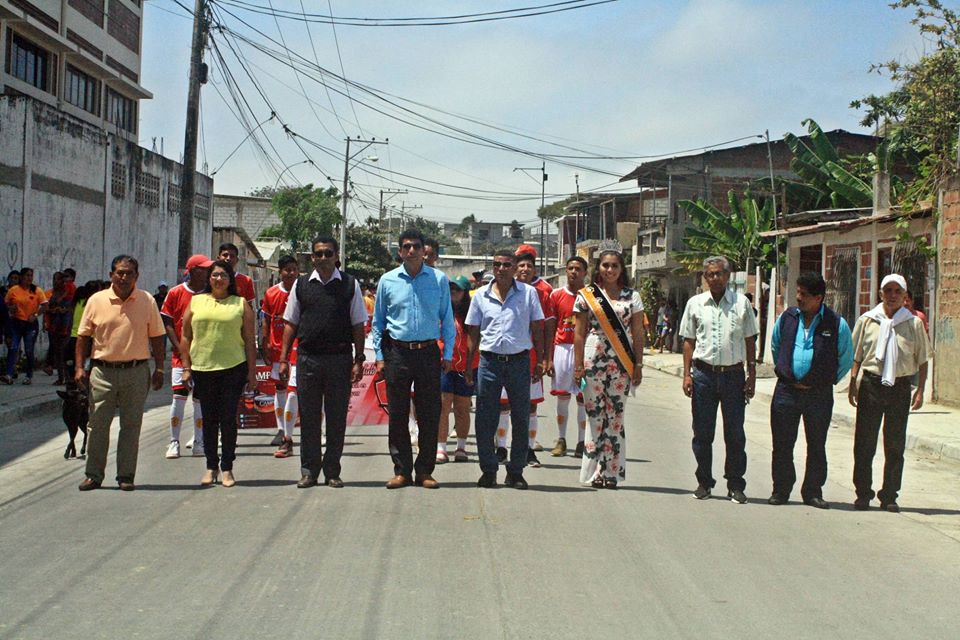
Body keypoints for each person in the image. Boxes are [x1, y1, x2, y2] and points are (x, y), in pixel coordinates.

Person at [372, 229, 455, 490]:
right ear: (399, 251)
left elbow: (447, 319)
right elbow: (378, 322)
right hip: (397, 353)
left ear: (423, 250)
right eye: (406, 246)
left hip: (428, 352)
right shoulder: (387, 280)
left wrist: (448, 353)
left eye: (416, 246)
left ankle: (424, 471)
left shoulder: (438, 279)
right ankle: (402, 471)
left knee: (429, 413)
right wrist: (380, 356)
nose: (411, 251)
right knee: (397, 413)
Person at [281, 237, 367, 488]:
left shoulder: (350, 284)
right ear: (312, 258)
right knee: (308, 418)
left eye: (328, 253)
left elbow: (358, 324)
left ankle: (332, 471)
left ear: (336, 256)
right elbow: (291, 323)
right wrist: (284, 358)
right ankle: (309, 471)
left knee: (336, 418)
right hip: (308, 359)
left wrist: (359, 359)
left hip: (340, 359)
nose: (323, 258)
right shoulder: (301, 285)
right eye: (318, 254)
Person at [76, 255, 165, 491]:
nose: (124, 277)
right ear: (111, 275)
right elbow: (83, 336)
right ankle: (93, 475)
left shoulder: (147, 300)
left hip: (136, 371)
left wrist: (160, 368)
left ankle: (126, 475)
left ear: (137, 276)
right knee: (97, 425)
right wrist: (79, 367)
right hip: (102, 372)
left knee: (131, 425)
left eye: (129, 273)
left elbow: (157, 336)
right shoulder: (96, 300)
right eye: (120, 273)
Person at [768, 273, 853, 509]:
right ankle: (781, 490)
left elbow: (845, 358)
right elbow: (776, 346)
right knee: (782, 444)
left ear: (818, 298)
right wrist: (788, 371)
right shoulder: (787, 318)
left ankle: (813, 492)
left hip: (818, 395)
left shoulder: (836, 324)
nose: (798, 298)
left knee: (816, 445)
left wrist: (822, 379)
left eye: (804, 294)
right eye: (798, 292)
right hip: (786, 392)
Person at [679, 256, 759, 504]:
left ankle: (735, 484)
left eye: (719, 273)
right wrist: (687, 374)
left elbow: (750, 339)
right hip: (704, 375)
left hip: (734, 376)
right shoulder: (695, 304)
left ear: (728, 275)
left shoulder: (741, 303)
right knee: (702, 433)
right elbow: (688, 341)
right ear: (705, 277)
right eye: (710, 274)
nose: (715, 278)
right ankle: (704, 482)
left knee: (735, 433)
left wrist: (752, 374)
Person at [849, 273, 931, 512]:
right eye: (888, 291)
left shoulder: (913, 323)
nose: (892, 296)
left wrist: (920, 390)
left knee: (895, 445)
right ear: (880, 294)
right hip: (871, 385)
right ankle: (863, 493)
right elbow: (856, 355)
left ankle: (889, 495)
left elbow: (923, 359)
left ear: (905, 296)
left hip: (900, 387)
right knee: (864, 443)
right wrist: (853, 382)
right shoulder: (867, 320)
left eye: (897, 291)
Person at [464, 249, 545, 490]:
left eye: (507, 265)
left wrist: (540, 360)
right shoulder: (480, 295)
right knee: (485, 418)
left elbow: (537, 328)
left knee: (521, 417)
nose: (501, 269)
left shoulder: (528, 293)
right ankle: (489, 470)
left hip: (519, 362)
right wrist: (468, 365)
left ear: (514, 267)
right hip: (489, 363)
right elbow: (473, 333)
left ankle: (516, 471)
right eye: (497, 264)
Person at [179, 260, 258, 487]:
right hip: (203, 368)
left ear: (230, 279)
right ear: (208, 278)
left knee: (228, 419)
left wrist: (252, 373)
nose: (219, 279)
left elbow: (249, 341)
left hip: (233, 368)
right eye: (214, 275)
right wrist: (186, 367)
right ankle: (211, 466)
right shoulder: (196, 301)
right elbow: (186, 335)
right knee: (209, 419)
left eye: (223, 275)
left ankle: (227, 467)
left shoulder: (240, 304)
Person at [573, 248, 644, 488]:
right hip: (593, 359)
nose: (610, 270)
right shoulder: (587, 295)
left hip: (621, 362)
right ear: (599, 268)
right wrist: (578, 365)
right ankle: (594, 472)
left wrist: (638, 364)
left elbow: (638, 332)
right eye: (605, 265)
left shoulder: (632, 297)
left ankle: (611, 472)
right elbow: (579, 333)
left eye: (615, 265)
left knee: (615, 417)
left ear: (622, 269)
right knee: (595, 415)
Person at [496, 246, 554, 466]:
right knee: (503, 404)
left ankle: (528, 450)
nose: (525, 269)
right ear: (514, 268)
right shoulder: (499, 290)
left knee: (530, 406)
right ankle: (501, 448)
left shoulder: (542, 294)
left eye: (529, 266)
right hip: (504, 357)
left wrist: (545, 358)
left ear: (534, 270)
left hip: (530, 358)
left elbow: (546, 329)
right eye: (521, 265)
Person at [160, 254, 213, 459]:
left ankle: (199, 440)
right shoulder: (175, 293)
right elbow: (168, 323)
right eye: (203, 268)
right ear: (192, 271)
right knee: (179, 397)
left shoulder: (211, 293)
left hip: (204, 356)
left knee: (199, 400)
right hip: (180, 357)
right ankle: (174, 441)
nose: (207, 272)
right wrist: (179, 348)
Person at [547, 256, 589, 458]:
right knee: (563, 396)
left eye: (578, 269)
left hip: (585, 349)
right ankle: (561, 439)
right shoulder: (556, 295)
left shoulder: (592, 296)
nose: (574, 272)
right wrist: (548, 357)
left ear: (585, 272)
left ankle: (582, 442)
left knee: (583, 398)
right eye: (571, 268)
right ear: (566, 270)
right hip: (562, 349)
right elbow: (550, 327)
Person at [261, 255, 301, 458]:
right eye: (287, 269)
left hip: (299, 349)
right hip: (278, 348)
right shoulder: (271, 293)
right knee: (280, 388)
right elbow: (266, 320)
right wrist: (265, 342)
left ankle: (308, 431)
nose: (291, 273)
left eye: (294, 269)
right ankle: (281, 429)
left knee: (296, 390)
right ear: (280, 271)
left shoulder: (303, 290)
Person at [437, 276, 478, 463]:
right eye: (451, 288)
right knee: (443, 407)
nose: (453, 292)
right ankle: (441, 448)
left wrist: (469, 366)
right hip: (445, 365)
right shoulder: (441, 310)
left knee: (462, 408)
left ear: (465, 292)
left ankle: (461, 447)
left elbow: (475, 340)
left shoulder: (472, 314)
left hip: (467, 367)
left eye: (458, 289)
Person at [2, 267, 47, 385]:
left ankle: (29, 375)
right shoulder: (14, 290)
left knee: (28, 350)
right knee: (13, 348)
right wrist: (10, 308)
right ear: (21, 277)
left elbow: (44, 305)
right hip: (16, 322)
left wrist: (36, 315)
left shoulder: (37, 290)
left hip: (30, 324)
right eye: (27, 275)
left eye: (31, 275)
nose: (29, 278)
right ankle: (9, 374)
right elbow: (5, 304)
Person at [43, 271, 72, 384]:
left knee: (65, 353)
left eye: (59, 279)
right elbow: (46, 309)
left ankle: (67, 377)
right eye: (54, 279)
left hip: (65, 327)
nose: (56, 281)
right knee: (58, 352)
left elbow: (72, 308)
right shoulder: (50, 293)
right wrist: (53, 311)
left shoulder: (68, 293)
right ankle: (61, 377)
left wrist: (63, 310)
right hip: (53, 326)